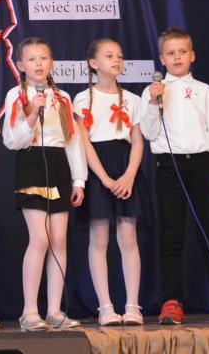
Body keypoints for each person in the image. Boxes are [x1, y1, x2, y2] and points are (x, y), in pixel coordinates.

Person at [140, 27, 209, 325]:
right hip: (169, 166)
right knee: (171, 234)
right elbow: (149, 132)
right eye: (170, 53)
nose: (177, 57)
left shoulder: (205, 90)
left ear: (192, 56)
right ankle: (172, 301)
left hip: (201, 164)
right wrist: (152, 103)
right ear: (162, 58)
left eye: (182, 52)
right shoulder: (152, 91)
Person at [3, 37, 86, 331]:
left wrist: (79, 179)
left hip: (58, 164)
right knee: (40, 239)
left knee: (59, 239)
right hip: (31, 164)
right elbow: (11, 140)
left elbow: (72, 141)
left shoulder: (62, 97)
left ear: (51, 63)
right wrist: (30, 116)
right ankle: (29, 311)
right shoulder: (17, 95)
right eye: (31, 59)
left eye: (43, 58)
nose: (38, 64)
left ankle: (54, 310)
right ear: (20, 65)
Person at [73, 38, 151, 326]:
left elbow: (138, 141)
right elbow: (83, 143)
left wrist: (129, 175)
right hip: (97, 169)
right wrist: (104, 178)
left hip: (125, 166)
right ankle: (105, 307)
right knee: (99, 239)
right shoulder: (82, 99)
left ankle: (132, 306)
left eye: (119, 56)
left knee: (128, 237)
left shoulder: (133, 100)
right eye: (109, 56)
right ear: (94, 63)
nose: (116, 60)